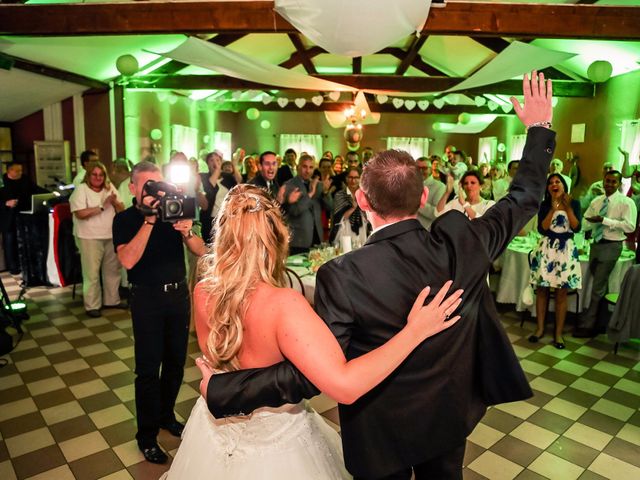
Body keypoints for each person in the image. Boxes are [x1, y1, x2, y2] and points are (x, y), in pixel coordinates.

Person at [200, 72, 555, 480]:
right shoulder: (465, 243)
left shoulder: (343, 274)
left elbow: (309, 373)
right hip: (449, 415)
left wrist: (225, 390)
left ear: (362, 200)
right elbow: (524, 198)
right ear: (423, 198)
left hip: (380, 428)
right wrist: (539, 128)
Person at [160, 184, 462, 479]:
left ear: (223, 234)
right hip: (278, 448)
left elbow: (215, 359)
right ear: (277, 237)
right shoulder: (285, 304)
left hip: (214, 433)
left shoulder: (201, 291)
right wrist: (415, 331)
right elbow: (344, 385)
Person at [112, 161, 206, 464]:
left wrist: (187, 231)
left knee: (176, 363)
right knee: (148, 370)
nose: (155, 192)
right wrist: (150, 221)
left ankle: (166, 415)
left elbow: (200, 250)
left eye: (159, 185)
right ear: (133, 188)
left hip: (177, 295)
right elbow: (127, 260)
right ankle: (147, 436)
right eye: (148, 186)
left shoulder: (174, 210)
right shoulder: (124, 220)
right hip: (146, 300)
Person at [574, 170, 637, 338]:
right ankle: (602, 322)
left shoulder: (626, 202)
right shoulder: (597, 200)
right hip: (596, 245)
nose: (609, 184)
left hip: (612, 246)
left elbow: (630, 226)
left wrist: (604, 221)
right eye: (607, 181)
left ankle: (589, 325)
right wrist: (587, 224)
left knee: (597, 287)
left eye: (613, 182)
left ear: (619, 184)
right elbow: (585, 221)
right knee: (600, 286)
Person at [528, 174, 582, 349]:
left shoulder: (575, 203)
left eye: (557, 181)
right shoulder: (544, 204)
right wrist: (553, 208)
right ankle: (540, 329)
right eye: (550, 183)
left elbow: (576, 227)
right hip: (547, 248)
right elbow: (542, 228)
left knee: (561, 293)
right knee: (542, 290)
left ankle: (558, 334)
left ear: (563, 185)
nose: (554, 184)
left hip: (565, 250)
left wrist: (567, 208)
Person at [70, 161, 124, 317]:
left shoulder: (109, 187)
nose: (98, 177)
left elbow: (121, 209)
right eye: (94, 174)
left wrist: (114, 202)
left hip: (110, 235)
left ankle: (112, 300)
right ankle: (92, 305)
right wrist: (102, 206)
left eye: (101, 174)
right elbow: (80, 214)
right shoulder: (81, 190)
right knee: (92, 273)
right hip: (89, 237)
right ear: (88, 175)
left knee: (113, 270)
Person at [0, 162, 49, 274]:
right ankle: (13, 267)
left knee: (24, 239)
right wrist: (6, 203)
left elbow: (36, 189)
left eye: (21, 170)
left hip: (24, 214)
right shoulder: (2, 183)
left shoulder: (24, 179)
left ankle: (26, 264)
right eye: (17, 171)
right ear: (9, 171)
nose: (20, 173)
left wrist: (51, 194)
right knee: (10, 240)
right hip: (8, 216)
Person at [281, 154, 329, 254]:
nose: (308, 171)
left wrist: (325, 192)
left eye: (311, 167)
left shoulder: (318, 184)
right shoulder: (289, 184)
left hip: (317, 239)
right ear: (298, 167)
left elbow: (329, 207)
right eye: (304, 167)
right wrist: (310, 194)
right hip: (298, 241)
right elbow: (294, 211)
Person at [200, 150, 238, 243]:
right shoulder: (203, 177)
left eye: (217, 160)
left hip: (227, 218)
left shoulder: (228, 177)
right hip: (210, 220)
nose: (215, 162)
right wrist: (217, 170)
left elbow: (238, 185)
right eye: (211, 160)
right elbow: (209, 188)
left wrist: (235, 165)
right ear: (207, 163)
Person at [328, 167, 369, 247]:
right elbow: (338, 218)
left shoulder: (365, 195)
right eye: (350, 177)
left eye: (356, 178)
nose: (353, 181)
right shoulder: (340, 195)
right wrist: (353, 208)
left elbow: (369, 217)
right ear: (346, 179)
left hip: (362, 231)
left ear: (360, 178)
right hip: (344, 231)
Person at [416, 156, 445, 231]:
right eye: (418, 168)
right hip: (407, 231)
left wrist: (416, 202)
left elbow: (436, 213)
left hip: (426, 231)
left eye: (424, 168)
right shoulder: (407, 185)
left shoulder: (439, 186)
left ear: (431, 169)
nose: (421, 171)